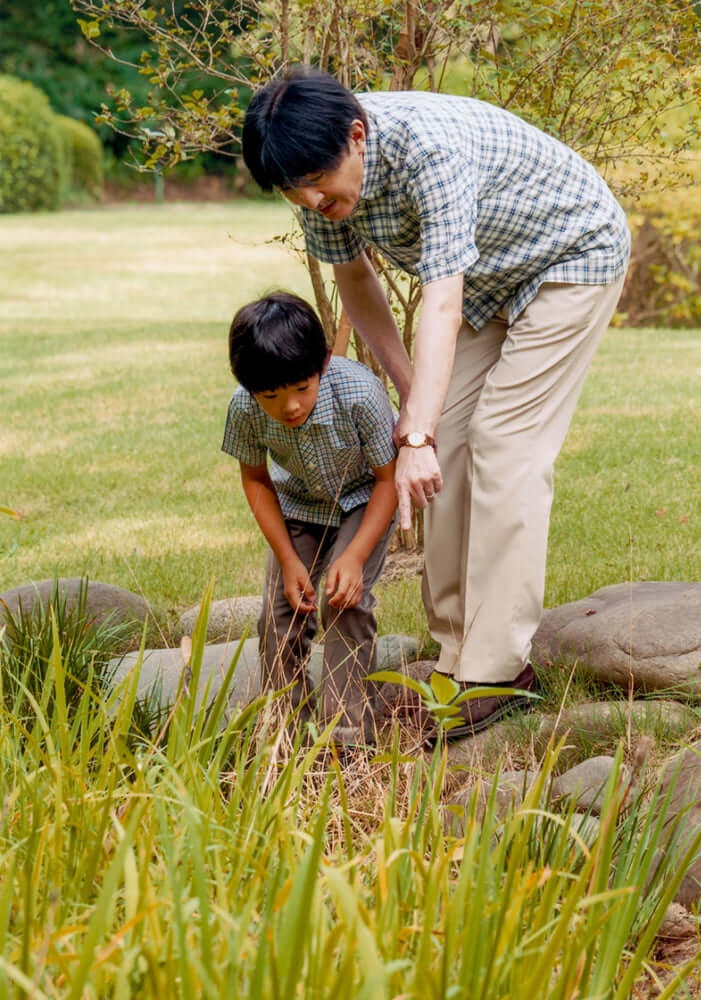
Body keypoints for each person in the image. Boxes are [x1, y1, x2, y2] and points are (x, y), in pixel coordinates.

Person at [242, 68, 631, 737]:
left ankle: (500, 669)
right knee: (445, 430)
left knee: (505, 443)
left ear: (357, 137)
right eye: (293, 191)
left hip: (571, 256)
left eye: (316, 181)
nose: (309, 198)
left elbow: (441, 300)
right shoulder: (320, 190)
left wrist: (414, 430)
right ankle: (457, 652)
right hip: (494, 278)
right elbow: (356, 279)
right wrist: (416, 401)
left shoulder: (430, 152)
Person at [222, 291, 397, 744]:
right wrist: (289, 559)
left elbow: (387, 480)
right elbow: (257, 480)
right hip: (299, 504)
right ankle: (285, 736)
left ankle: (347, 739)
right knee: (279, 617)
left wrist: (355, 556)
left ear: (321, 366)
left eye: (301, 388)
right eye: (271, 396)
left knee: (345, 603)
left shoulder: (360, 393)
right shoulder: (244, 409)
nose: (290, 407)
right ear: (249, 388)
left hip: (364, 498)